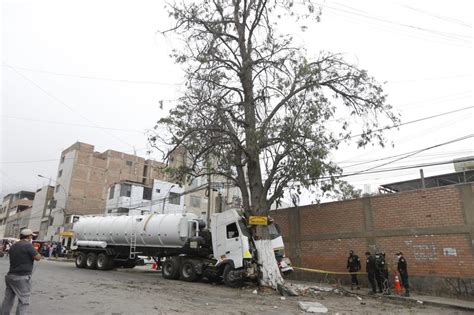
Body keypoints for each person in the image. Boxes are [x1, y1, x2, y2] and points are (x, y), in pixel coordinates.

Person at [1, 229, 42, 315]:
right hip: (22, 277)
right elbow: (38, 257)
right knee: (24, 301)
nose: (32, 237)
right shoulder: (28, 245)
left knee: (8, 300)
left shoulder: (13, 246)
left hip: (10, 276)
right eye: (32, 236)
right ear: (29, 236)